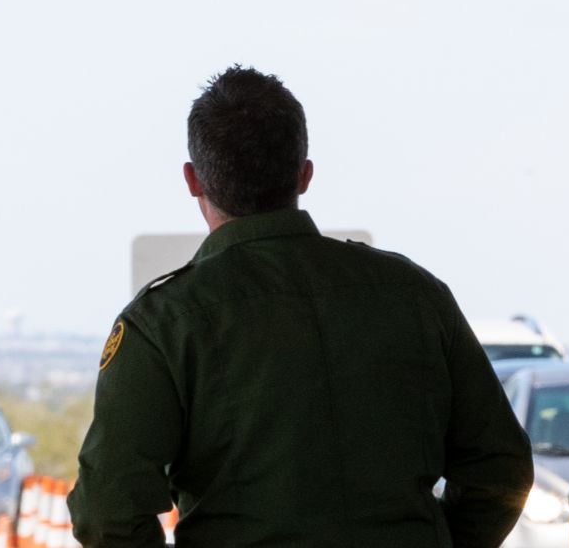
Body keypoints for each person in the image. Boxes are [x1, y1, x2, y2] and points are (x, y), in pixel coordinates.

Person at [69, 66, 531, 547]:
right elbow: (500, 469)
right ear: (304, 173)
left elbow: (108, 513)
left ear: (192, 180)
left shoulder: (164, 323)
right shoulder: (413, 295)